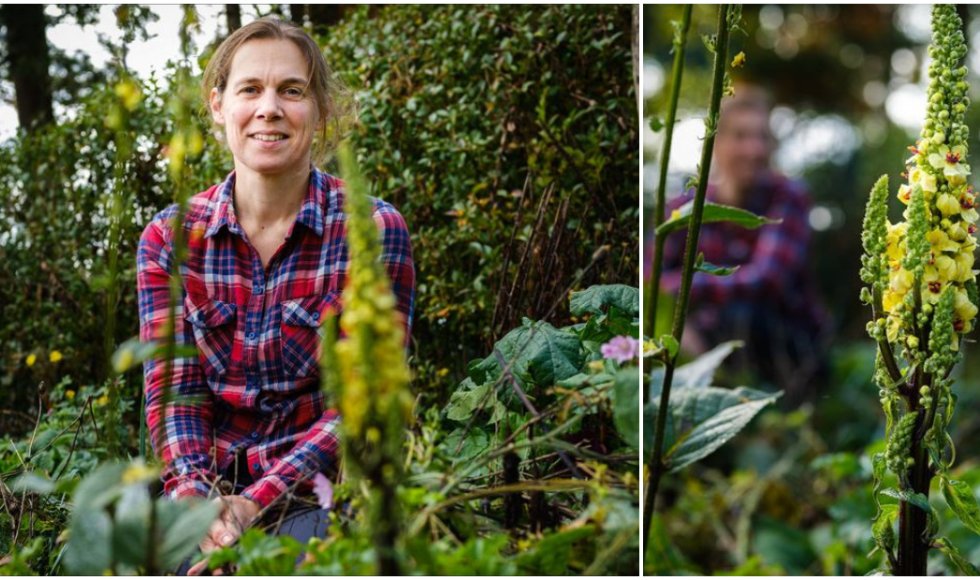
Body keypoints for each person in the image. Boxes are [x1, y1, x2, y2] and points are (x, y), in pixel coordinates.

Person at [136, 17, 415, 574]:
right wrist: (199, 502)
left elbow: (362, 404)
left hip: (317, 485)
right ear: (219, 106)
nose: (269, 108)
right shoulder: (168, 238)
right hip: (202, 485)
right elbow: (174, 393)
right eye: (250, 90)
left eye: (292, 90)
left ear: (321, 111)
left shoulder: (374, 230)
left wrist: (256, 502)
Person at [657, 86, 828, 406]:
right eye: (741, 136)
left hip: (790, 347)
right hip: (707, 342)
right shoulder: (686, 208)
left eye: (762, 137)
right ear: (716, 144)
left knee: (742, 313)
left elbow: (768, 280)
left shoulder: (788, 197)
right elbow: (652, 278)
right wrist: (680, 325)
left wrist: (683, 292)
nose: (754, 149)